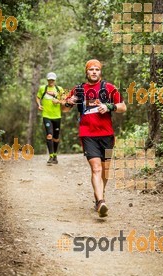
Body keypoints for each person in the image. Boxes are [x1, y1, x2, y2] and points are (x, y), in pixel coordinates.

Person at [63, 59, 127, 217]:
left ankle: (100, 194)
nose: (94, 72)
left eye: (97, 69)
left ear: (100, 72)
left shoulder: (109, 88)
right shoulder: (78, 89)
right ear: (86, 72)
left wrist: (109, 106)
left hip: (106, 135)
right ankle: (100, 202)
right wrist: (69, 103)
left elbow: (123, 107)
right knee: (96, 168)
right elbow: (64, 109)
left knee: (105, 172)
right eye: (91, 69)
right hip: (87, 135)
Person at [36, 72, 64, 165]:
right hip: (46, 115)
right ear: (47, 80)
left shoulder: (59, 89)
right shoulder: (42, 88)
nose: (51, 81)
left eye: (52, 80)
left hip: (57, 116)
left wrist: (59, 101)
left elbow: (65, 101)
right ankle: (51, 156)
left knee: (56, 137)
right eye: (49, 80)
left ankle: (55, 155)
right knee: (49, 135)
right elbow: (38, 97)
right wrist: (39, 105)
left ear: (55, 80)